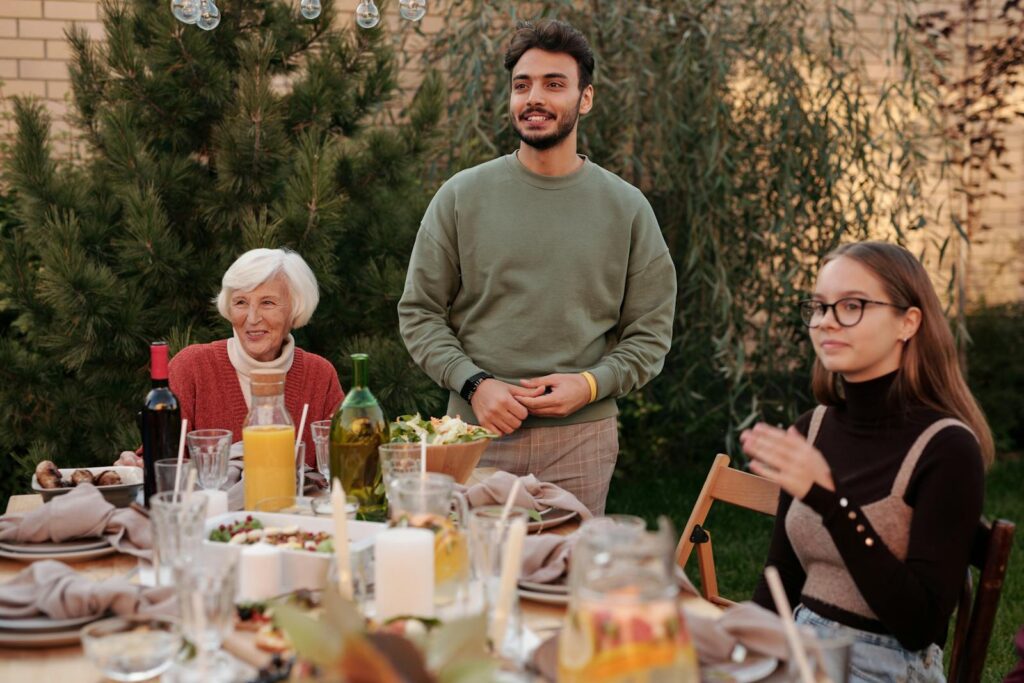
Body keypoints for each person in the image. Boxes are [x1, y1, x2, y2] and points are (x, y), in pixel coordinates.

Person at [397, 19, 676, 515]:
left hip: (582, 441)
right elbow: (419, 312)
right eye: (522, 85)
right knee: (469, 579)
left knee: (567, 585)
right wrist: (474, 384)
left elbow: (650, 334)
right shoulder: (462, 196)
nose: (534, 98)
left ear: (585, 99)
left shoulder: (627, 208)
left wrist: (590, 384)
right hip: (474, 435)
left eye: (554, 84)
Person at [742, 241, 993, 682]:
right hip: (802, 650)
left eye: (852, 306)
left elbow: (921, 626)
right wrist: (741, 653)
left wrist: (829, 501)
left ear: (908, 322)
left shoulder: (948, 448)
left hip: (885, 667)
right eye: (819, 307)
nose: (826, 322)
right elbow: (781, 574)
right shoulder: (812, 428)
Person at [118, 248, 343, 468]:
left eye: (267, 302)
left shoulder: (320, 374)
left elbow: (348, 462)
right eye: (240, 302)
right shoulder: (191, 367)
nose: (252, 318)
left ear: (295, 308)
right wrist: (135, 464)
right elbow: (159, 461)